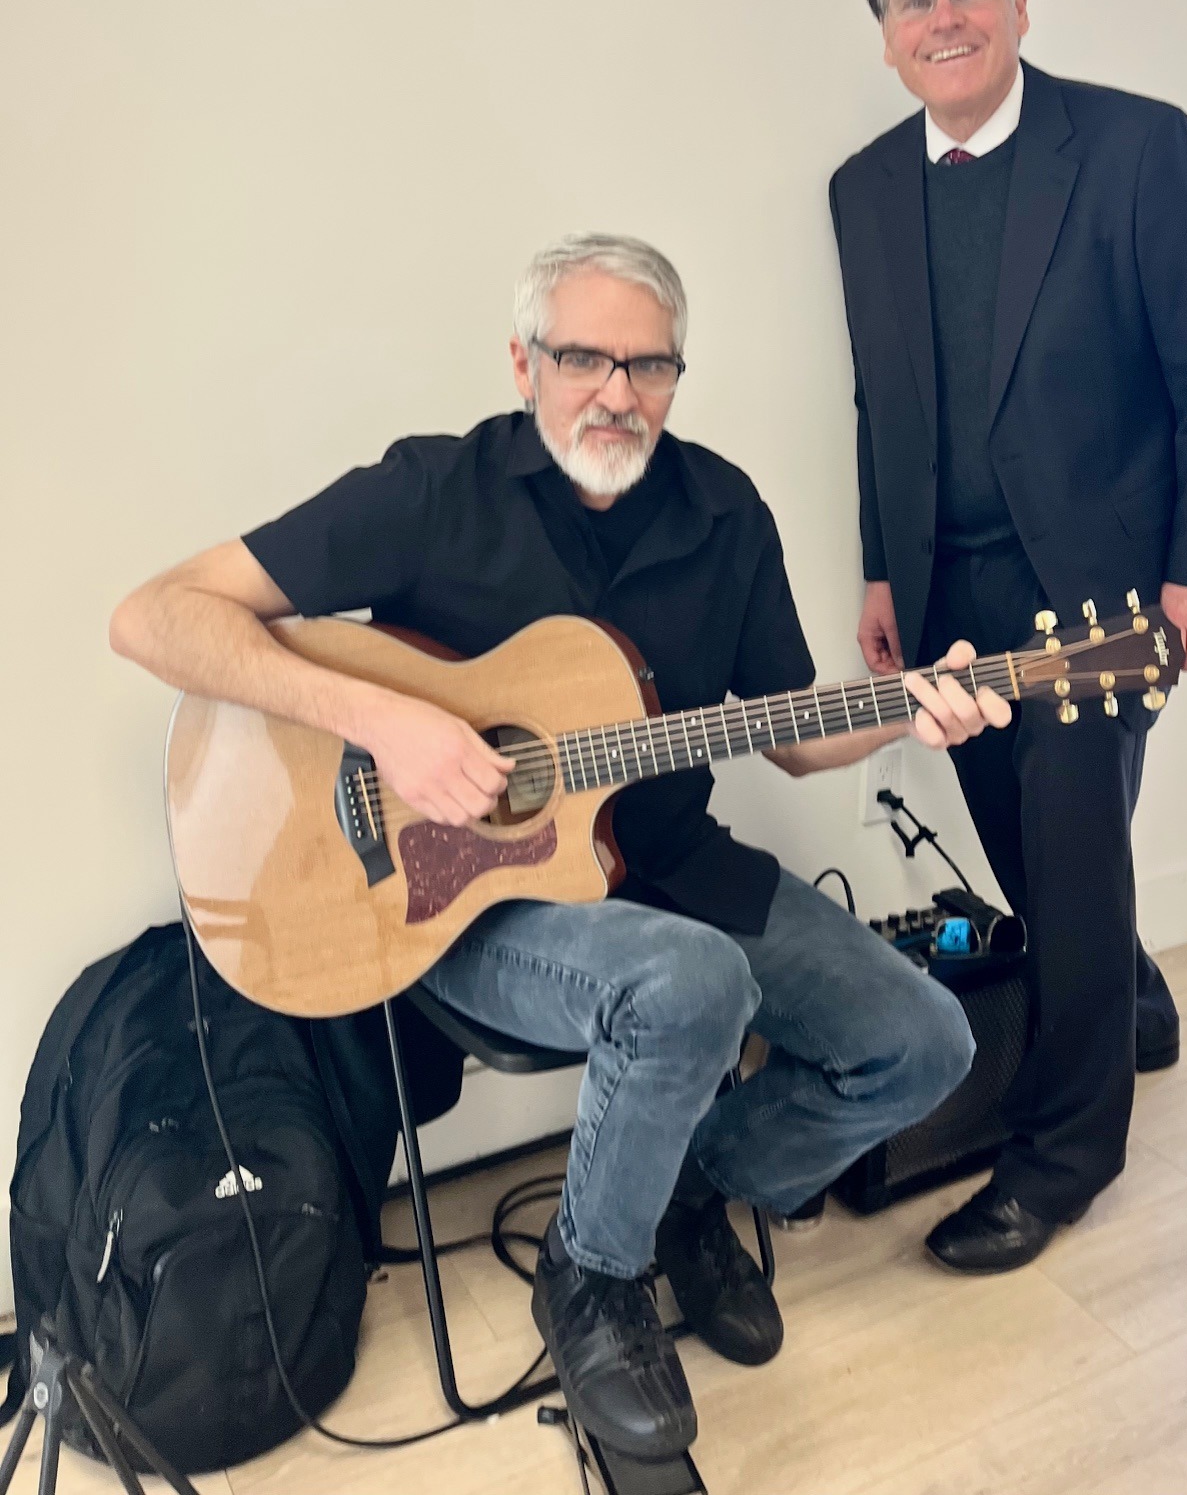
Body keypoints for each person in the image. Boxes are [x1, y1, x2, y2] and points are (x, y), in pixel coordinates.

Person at [111, 233, 1010, 1462]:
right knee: (691, 982)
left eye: (649, 365)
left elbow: (791, 737)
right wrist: (384, 719)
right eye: (584, 356)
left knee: (925, 1042)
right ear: (524, 360)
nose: (616, 391)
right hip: (458, 906)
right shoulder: (431, 492)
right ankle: (591, 1277)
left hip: (672, 862)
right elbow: (155, 615)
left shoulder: (723, 511)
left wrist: (908, 709)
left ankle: (686, 1187)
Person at [829, 0, 1187, 1274]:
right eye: (913, 3)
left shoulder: (1136, 146)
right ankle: (1127, 998)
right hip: (950, 585)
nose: (942, 20)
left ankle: (1066, 1154)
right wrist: (885, 567)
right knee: (1017, 849)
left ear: (1019, 3)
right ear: (889, 37)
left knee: (1067, 853)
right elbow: (875, 399)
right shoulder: (865, 188)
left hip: (1104, 596)